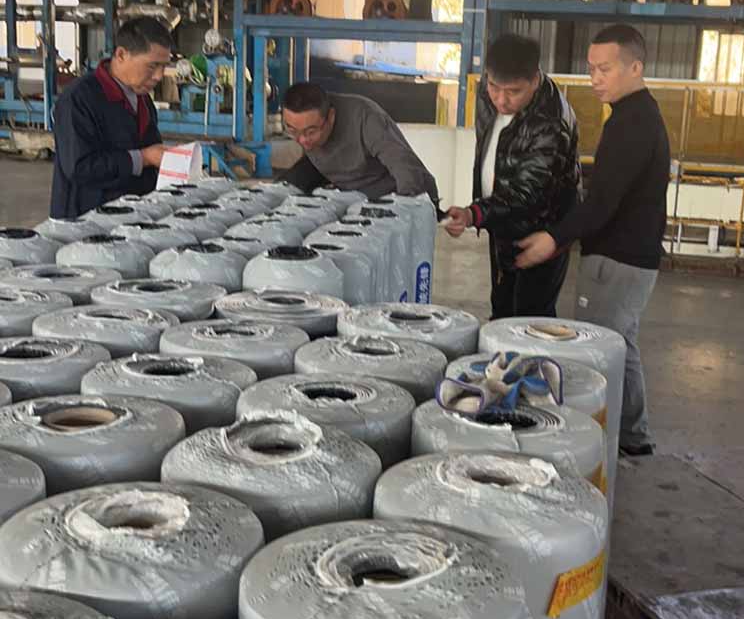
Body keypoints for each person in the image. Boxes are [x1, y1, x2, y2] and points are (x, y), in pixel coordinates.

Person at [515, 24, 670, 457]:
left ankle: (608, 440)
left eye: (605, 69)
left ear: (635, 68)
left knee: (601, 352)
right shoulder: (636, 115)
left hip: (618, 260)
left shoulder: (632, 124)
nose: (595, 79)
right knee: (621, 344)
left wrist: (554, 238)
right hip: (634, 256)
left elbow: (602, 202)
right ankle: (633, 434)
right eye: (591, 69)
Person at [444, 33, 579, 318]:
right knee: (502, 309)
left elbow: (528, 192)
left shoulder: (551, 121)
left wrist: (474, 213)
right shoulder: (488, 92)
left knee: (529, 319)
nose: (501, 100)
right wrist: (482, 213)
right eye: (494, 87)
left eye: (513, 91)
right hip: (502, 224)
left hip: (541, 234)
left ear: (534, 80)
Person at [50, 17, 172, 220]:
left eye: (164, 66)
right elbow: (79, 167)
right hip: (85, 221)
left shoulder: (142, 99)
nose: (159, 76)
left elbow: (151, 152)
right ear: (121, 54)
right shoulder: (79, 99)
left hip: (130, 216)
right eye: (152, 66)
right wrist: (143, 158)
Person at [279, 83, 439, 203]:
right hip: (354, 197)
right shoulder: (308, 129)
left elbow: (404, 167)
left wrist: (409, 207)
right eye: (292, 130)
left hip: (399, 194)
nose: (302, 140)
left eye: (311, 132)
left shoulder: (366, 118)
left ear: (331, 117)